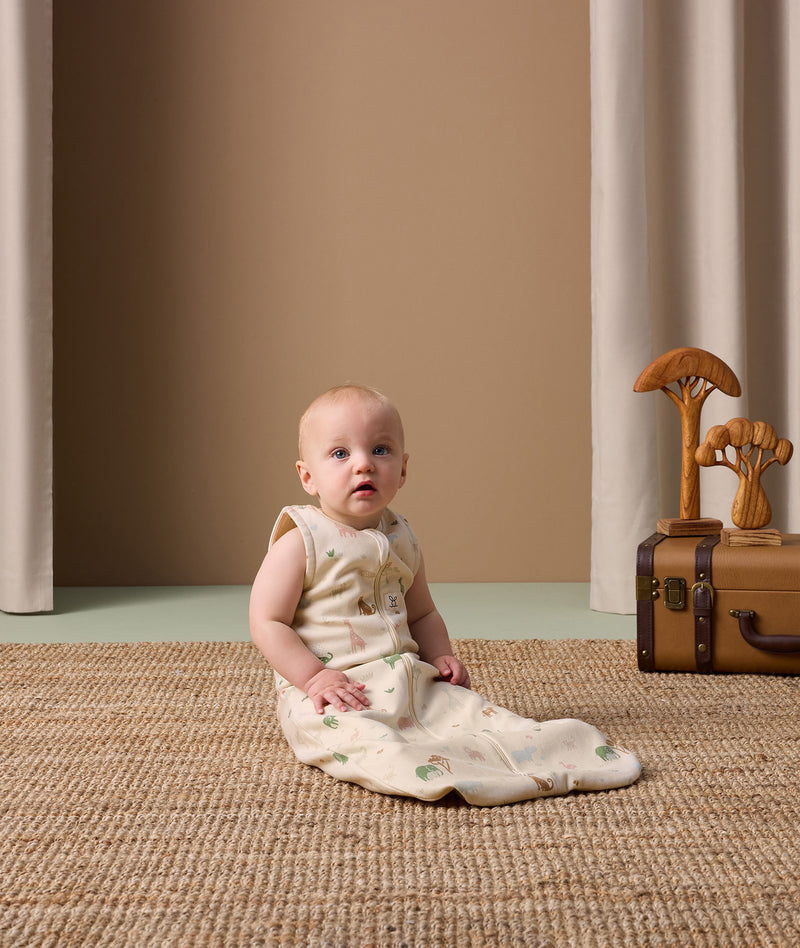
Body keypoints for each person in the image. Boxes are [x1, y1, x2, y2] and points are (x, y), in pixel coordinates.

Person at [249, 384, 641, 805]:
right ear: (308, 476)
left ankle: (541, 748)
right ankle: (434, 765)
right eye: (340, 454)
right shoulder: (301, 541)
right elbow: (267, 621)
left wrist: (439, 656)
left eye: (380, 450)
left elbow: (423, 614)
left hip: (408, 679)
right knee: (366, 739)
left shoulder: (403, 537)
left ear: (403, 469)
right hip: (334, 692)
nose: (363, 465)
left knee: (472, 714)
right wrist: (313, 677)